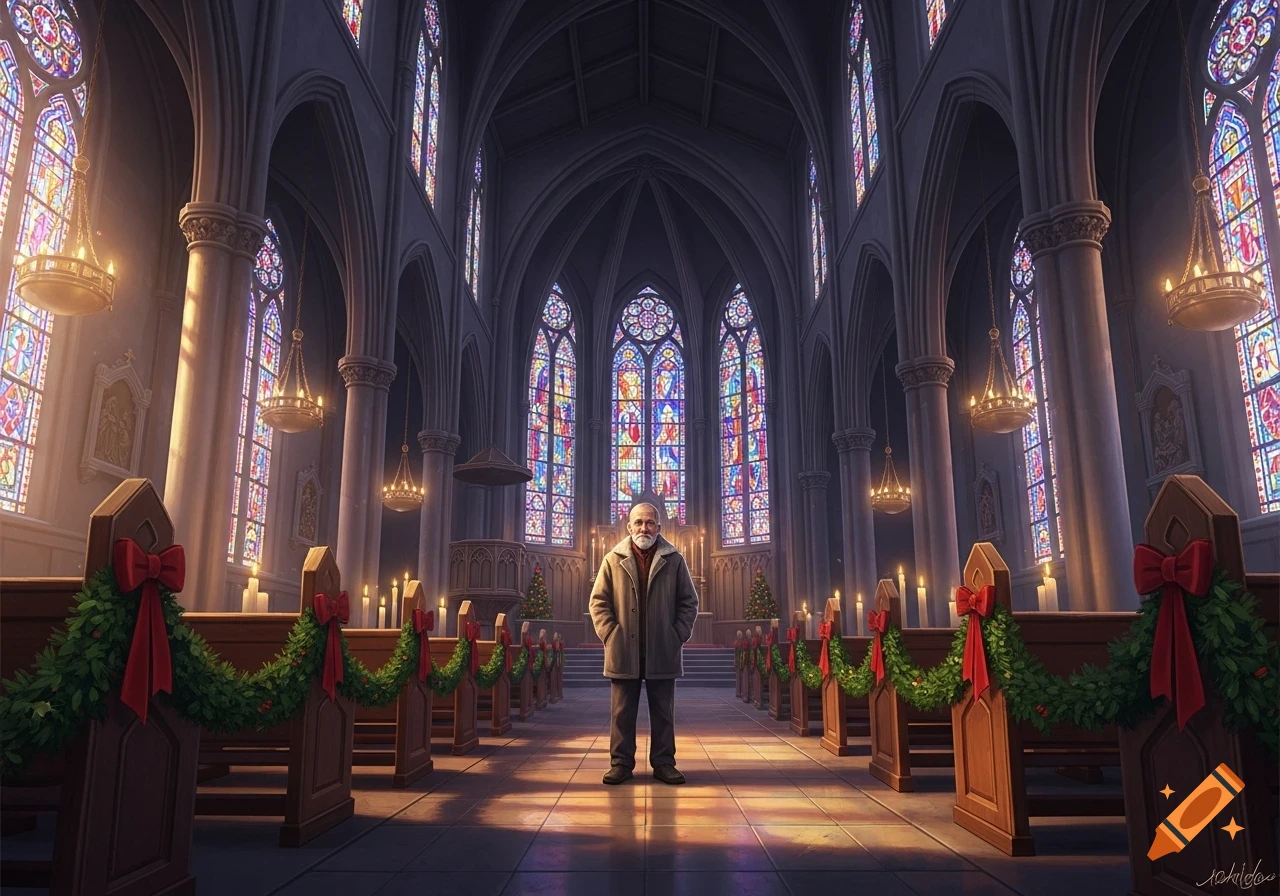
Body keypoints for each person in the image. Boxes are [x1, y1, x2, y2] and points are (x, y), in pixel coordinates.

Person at [589, 502, 699, 785]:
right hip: (623, 649)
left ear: (659, 527)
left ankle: (664, 763)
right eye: (638, 522)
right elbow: (598, 602)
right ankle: (620, 764)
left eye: (650, 522)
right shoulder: (612, 559)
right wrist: (611, 634)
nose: (644, 528)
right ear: (629, 526)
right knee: (621, 713)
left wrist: (676, 635)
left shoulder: (674, 559)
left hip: (662, 648)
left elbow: (689, 602)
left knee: (663, 712)